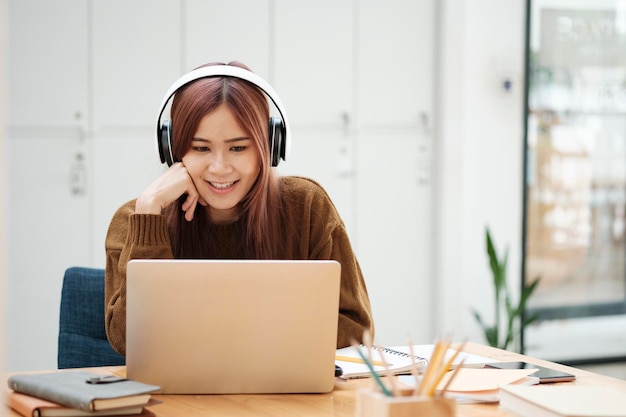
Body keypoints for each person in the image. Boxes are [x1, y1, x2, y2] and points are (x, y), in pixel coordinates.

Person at [104, 61, 374, 355]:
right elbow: (128, 342)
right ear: (172, 149)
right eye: (201, 148)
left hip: (286, 396)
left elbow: (357, 331)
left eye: (238, 148)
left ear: (269, 147)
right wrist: (149, 214)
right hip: (179, 399)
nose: (219, 168)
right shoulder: (136, 218)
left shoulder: (308, 207)